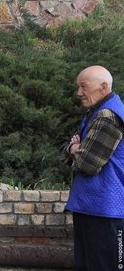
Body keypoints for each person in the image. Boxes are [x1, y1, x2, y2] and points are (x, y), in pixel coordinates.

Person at [62, 65, 124, 271]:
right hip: (92, 207)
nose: (79, 93)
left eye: (83, 87)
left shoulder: (108, 116)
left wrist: (74, 149)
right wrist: (74, 148)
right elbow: (68, 151)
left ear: (104, 87)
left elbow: (88, 164)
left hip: (106, 211)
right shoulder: (95, 113)